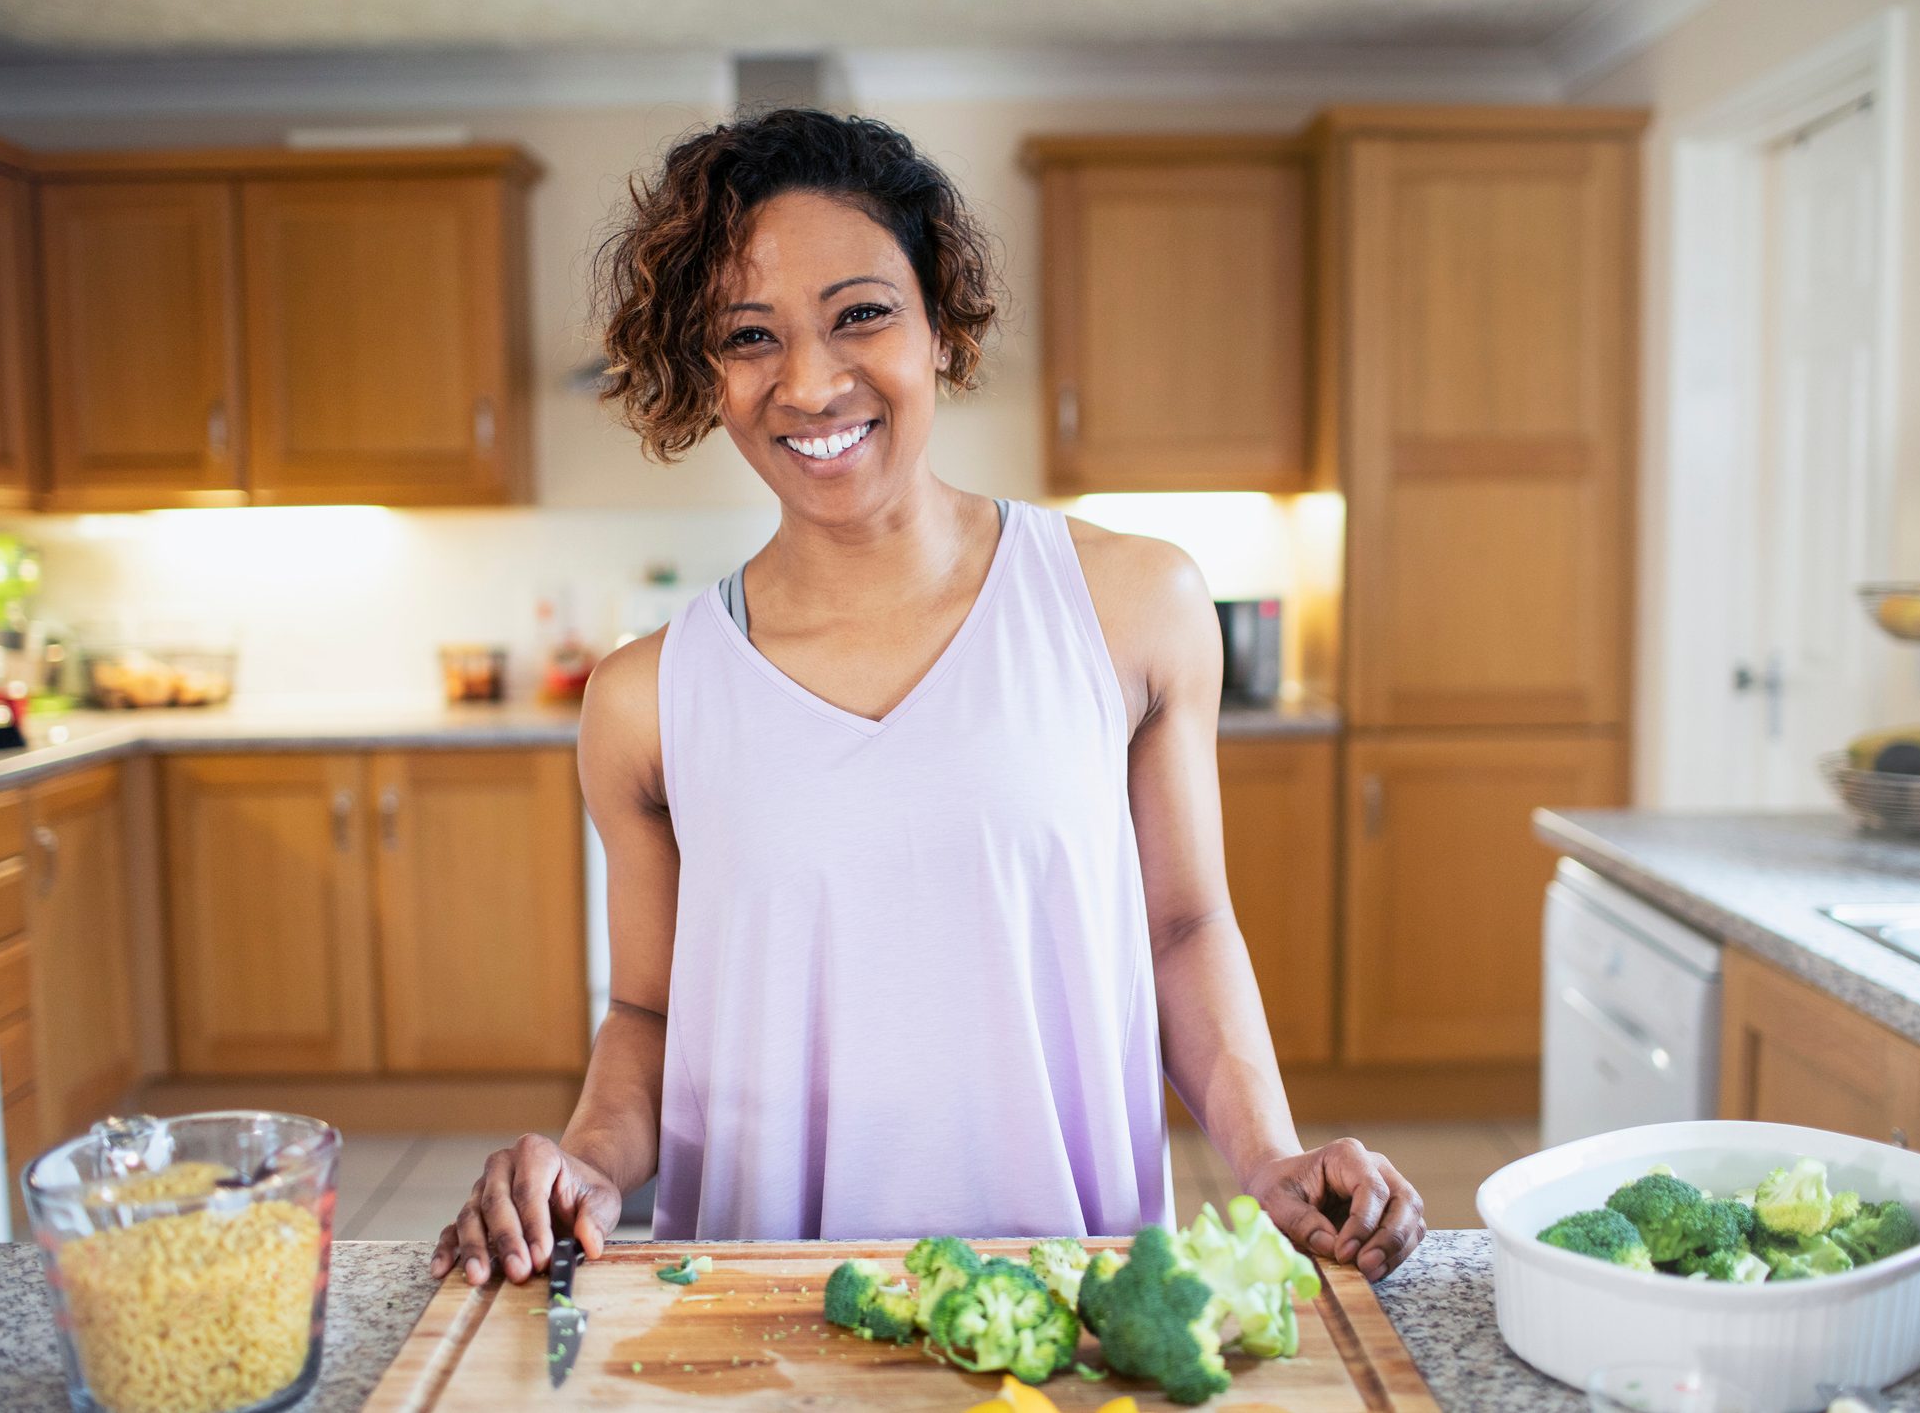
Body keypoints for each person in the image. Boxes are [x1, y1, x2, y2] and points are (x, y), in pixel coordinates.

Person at [430, 107, 1424, 1289]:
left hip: (1075, 1297)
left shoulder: (1134, 605)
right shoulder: (647, 696)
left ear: (942, 325)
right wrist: (589, 1162)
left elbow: (1183, 929)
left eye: (861, 313)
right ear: (707, 372)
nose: (808, 379)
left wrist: (1265, 1154)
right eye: (750, 335)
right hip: (758, 1318)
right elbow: (647, 1012)